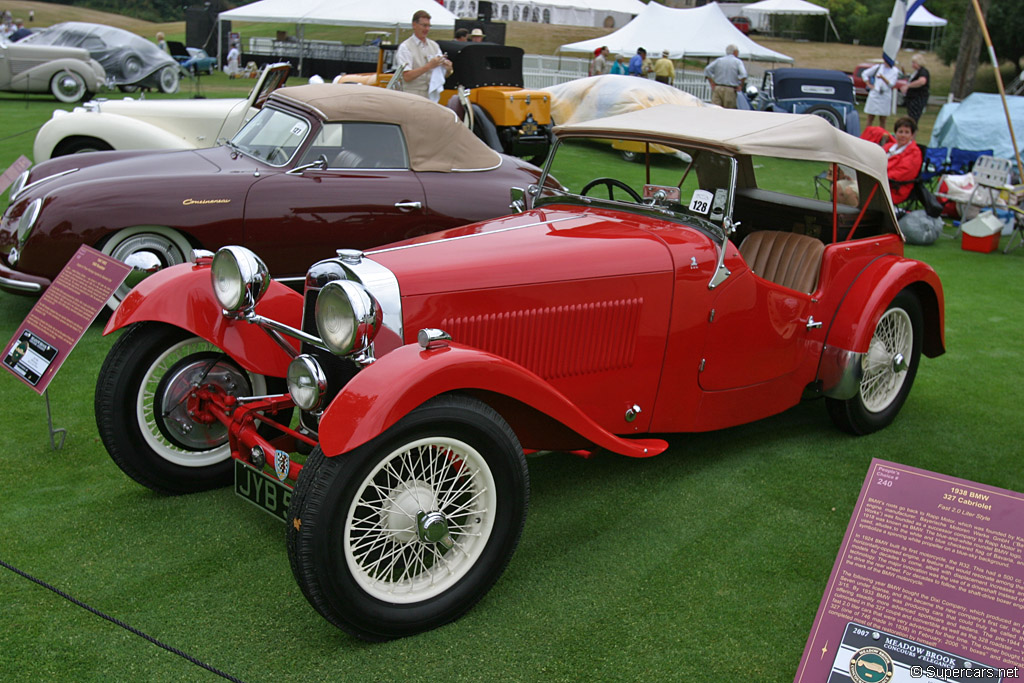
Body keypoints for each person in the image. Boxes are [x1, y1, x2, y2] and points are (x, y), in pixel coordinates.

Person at [396, 10, 453, 102]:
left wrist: (448, 69)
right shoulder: (405, 47)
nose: (427, 29)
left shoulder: (434, 46)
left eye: (429, 26)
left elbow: (440, 76)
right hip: (411, 97)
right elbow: (406, 76)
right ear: (414, 25)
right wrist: (429, 66)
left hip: (431, 97)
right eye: (424, 25)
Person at [884, 116, 923, 205]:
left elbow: (902, 173)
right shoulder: (888, 147)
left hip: (894, 189)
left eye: (907, 132)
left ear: (912, 135)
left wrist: (878, 176)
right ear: (895, 133)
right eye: (900, 132)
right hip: (878, 182)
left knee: (850, 192)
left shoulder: (914, 152)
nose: (903, 135)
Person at [704, 44, 747, 109]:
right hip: (730, 89)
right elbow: (744, 74)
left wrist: (711, 82)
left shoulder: (719, 60)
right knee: (729, 110)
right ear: (735, 52)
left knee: (715, 109)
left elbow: (707, 69)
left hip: (718, 88)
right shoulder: (737, 62)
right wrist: (740, 85)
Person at [862, 60, 899, 129]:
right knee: (870, 117)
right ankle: (867, 134)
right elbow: (864, 73)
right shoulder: (878, 67)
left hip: (885, 95)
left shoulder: (895, 71)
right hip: (875, 93)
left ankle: (881, 136)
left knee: (883, 119)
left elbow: (891, 84)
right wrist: (868, 84)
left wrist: (883, 78)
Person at [900, 54, 930, 123]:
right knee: (911, 117)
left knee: (913, 119)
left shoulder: (923, 71)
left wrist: (908, 86)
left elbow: (922, 81)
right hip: (911, 99)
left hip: (917, 99)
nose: (912, 65)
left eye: (914, 63)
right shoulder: (916, 73)